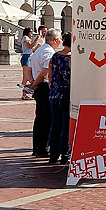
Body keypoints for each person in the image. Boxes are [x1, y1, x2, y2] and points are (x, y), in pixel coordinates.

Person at [26, 28, 60, 156]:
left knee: (39, 118)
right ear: (55, 40)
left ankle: (37, 147)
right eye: (60, 38)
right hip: (44, 86)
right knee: (46, 119)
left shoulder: (39, 50)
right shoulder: (49, 52)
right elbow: (45, 72)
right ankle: (43, 148)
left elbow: (29, 69)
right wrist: (34, 83)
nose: (60, 41)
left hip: (38, 86)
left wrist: (31, 81)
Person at [48, 31, 73, 162]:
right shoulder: (72, 58)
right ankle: (65, 154)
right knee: (66, 126)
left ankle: (53, 155)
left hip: (55, 93)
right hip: (67, 94)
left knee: (55, 125)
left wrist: (53, 89)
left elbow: (50, 75)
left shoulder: (55, 56)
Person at [20, 27, 39, 99]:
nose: (31, 33)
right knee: (26, 77)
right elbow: (30, 46)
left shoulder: (29, 39)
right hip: (26, 57)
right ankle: (24, 94)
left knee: (29, 76)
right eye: (30, 32)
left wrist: (38, 45)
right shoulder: (25, 38)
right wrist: (36, 39)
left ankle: (26, 93)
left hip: (30, 56)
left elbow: (33, 49)